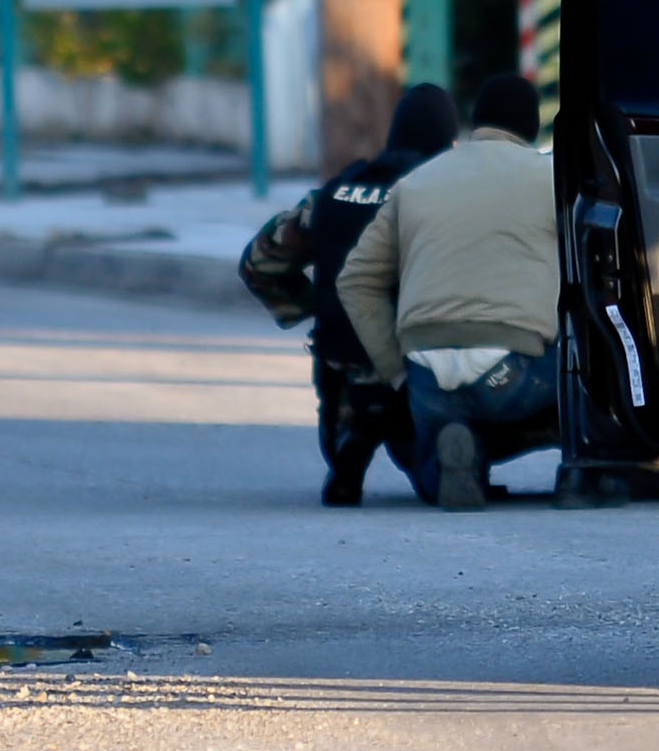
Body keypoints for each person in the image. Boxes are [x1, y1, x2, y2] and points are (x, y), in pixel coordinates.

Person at [334, 74, 560, 511]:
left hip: (426, 373)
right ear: (532, 127)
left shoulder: (417, 183)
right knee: (585, 361)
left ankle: (460, 457)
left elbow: (355, 278)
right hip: (512, 376)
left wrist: (394, 368)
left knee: (434, 464)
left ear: (474, 123)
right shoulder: (550, 178)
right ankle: (585, 470)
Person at [239, 80, 461, 505]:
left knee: (355, 399)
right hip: (417, 374)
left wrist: (311, 305)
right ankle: (432, 464)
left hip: (343, 377)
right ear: (447, 142)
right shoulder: (438, 196)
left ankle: (351, 446)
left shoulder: (333, 194)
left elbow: (258, 263)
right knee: (439, 468)